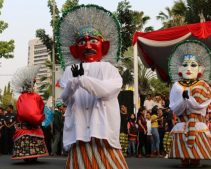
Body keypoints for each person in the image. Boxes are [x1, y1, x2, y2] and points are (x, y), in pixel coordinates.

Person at [58, 5, 128, 168]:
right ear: (75, 50)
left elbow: (107, 91)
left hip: (101, 129)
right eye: (82, 42)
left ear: (103, 46)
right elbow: (65, 99)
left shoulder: (108, 68)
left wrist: (83, 80)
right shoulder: (69, 71)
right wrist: (73, 84)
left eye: (93, 41)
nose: (88, 46)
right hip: (79, 128)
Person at [168, 40, 211, 167]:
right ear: (179, 69)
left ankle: (195, 160)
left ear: (200, 69)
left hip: (197, 121)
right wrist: (184, 100)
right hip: (182, 122)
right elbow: (173, 106)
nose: (188, 68)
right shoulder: (176, 85)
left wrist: (187, 99)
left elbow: (201, 105)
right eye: (185, 65)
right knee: (183, 156)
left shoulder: (203, 85)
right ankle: (184, 159)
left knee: (196, 158)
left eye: (193, 65)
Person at [11, 65, 48, 162]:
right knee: (34, 136)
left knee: (26, 137)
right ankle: (34, 155)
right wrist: (38, 117)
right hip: (34, 123)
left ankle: (25, 155)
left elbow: (19, 111)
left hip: (24, 124)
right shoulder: (36, 96)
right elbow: (41, 108)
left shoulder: (21, 97)